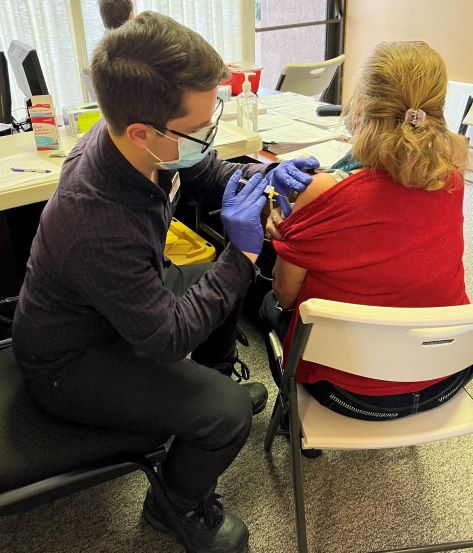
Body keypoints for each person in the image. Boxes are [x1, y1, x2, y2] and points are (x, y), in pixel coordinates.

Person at [12, 11, 316, 553]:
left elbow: (209, 173)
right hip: (69, 362)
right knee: (223, 413)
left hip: (120, 310)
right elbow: (165, 338)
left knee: (214, 282)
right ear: (143, 131)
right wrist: (243, 251)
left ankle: (210, 380)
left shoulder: (148, 149)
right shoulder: (95, 216)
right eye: (200, 127)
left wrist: (257, 177)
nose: (209, 134)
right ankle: (173, 504)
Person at [261, 40, 472, 422]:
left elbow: (286, 294)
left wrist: (288, 233)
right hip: (447, 377)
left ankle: (287, 418)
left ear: (361, 106)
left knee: (264, 303)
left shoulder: (322, 191)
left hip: (347, 394)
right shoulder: (453, 180)